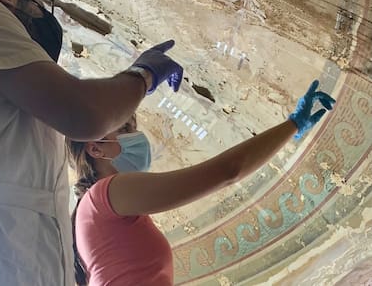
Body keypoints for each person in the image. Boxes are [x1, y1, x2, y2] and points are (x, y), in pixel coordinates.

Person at [0, 0, 183, 286]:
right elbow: (86, 114)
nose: (40, 15)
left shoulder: (12, 99)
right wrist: (144, 75)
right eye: (34, 4)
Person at [66, 80, 336, 286]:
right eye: (124, 129)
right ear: (95, 149)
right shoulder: (106, 195)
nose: (136, 136)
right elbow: (229, 171)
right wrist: (292, 125)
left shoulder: (98, 213)